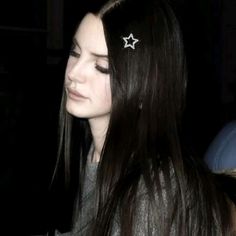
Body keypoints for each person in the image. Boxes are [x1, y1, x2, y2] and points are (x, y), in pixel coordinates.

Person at [48, 0, 236, 235]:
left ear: (146, 84)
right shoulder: (96, 156)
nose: (74, 73)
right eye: (75, 52)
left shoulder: (154, 190)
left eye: (101, 66)